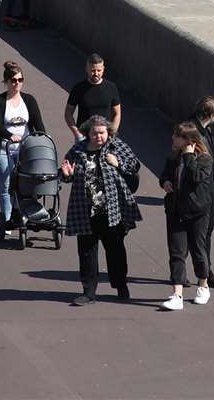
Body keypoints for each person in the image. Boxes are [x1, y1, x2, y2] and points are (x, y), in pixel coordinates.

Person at [61, 115, 142, 305]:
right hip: (85, 209)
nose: (98, 136)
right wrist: (66, 175)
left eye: (102, 133)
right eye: (94, 133)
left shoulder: (116, 146)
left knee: (115, 250)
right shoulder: (78, 150)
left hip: (112, 210)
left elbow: (135, 165)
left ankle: (121, 286)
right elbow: (65, 172)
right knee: (87, 251)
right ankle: (88, 292)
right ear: (88, 133)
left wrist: (117, 163)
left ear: (108, 133)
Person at [159, 121, 214, 310]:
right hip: (176, 210)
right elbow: (164, 175)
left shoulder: (205, 159)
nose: (172, 138)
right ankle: (177, 294)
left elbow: (196, 178)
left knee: (198, 250)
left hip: (197, 212)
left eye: (177, 136)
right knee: (176, 252)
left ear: (188, 141)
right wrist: (165, 182)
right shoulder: (173, 157)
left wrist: (190, 156)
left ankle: (203, 285)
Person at [0, 61, 46, 240]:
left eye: (20, 80)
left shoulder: (29, 100)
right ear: (6, 81)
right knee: (6, 186)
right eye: (13, 80)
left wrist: (41, 138)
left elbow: (38, 123)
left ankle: (22, 214)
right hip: (4, 148)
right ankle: (7, 220)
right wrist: (9, 135)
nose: (17, 84)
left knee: (25, 185)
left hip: (24, 150)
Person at [65, 53, 122, 141]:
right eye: (93, 70)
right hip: (84, 137)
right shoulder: (78, 88)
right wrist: (77, 133)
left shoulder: (111, 87)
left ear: (103, 69)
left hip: (105, 136)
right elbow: (68, 113)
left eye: (99, 70)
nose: (96, 73)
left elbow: (117, 113)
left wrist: (112, 133)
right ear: (86, 69)